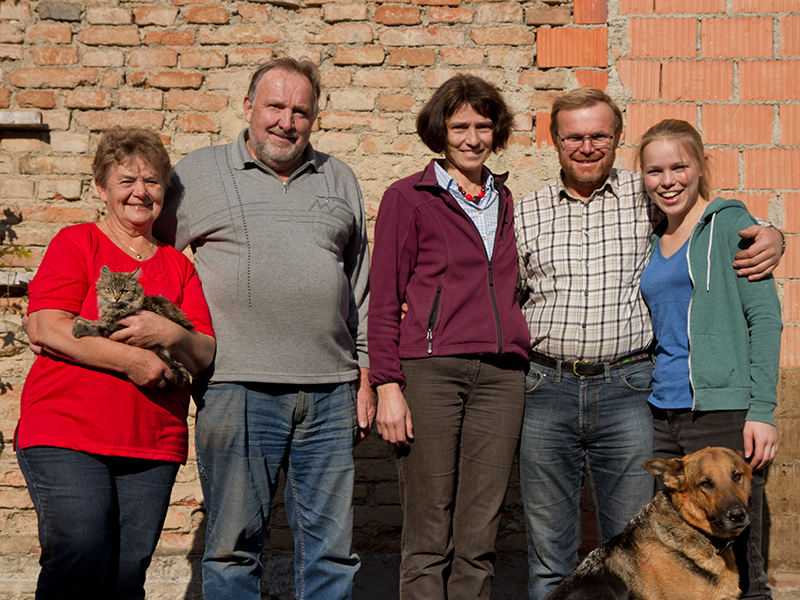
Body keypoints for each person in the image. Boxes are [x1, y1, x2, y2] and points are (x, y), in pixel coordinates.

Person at [513, 88, 784, 600]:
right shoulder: (533, 213)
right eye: (574, 136)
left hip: (655, 393)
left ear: (617, 140)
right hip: (613, 398)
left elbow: (762, 312)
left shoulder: (688, 213)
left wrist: (773, 232)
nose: (587, 145)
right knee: (594, 549)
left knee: (703, 549)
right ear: (554, 141)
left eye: (599, 135)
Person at [155, 58, 375, 600]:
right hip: (236, 388)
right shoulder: (197, 174)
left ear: (315, 118)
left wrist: (365, 375)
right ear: (249, 107)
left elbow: (360, 285)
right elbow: (156, 263)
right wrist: (174, 349)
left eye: (301, 111)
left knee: (332, 553)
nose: (286, 121)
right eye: (275, 106)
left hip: (330, 392)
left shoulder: (339, 176)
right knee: (233, 549)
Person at [15, 127, 216, 600]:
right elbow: (46, 325)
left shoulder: (179, 266)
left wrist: (167, 333)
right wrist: (132, 361)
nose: (140, 192)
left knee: (127, 579)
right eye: (126, 180)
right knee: (80, 560)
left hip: (151, 441)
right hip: (67, 433)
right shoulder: (77, 242)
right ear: (102, 188)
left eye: (152, 182)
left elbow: (204, 351)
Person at [368, 74, 530, 600]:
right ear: (440, 131)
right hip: (431, 374)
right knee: (427, 534)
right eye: (459, 126)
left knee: (480, 535)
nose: (471, 138)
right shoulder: (407, 198)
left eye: (483, 126)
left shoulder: (506, 201)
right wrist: (387, 385)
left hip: (502, 378)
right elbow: (383, 298)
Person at [637, 119, 780, 600]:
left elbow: (765, 319)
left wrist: (761, 409)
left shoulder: (728, 226)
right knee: (682, 557)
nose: (668, 180)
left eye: (679, 166)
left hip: (721, 411)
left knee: (742, 554)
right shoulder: (655, 238)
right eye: (655, 170)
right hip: (663, 412)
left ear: (700, 167)